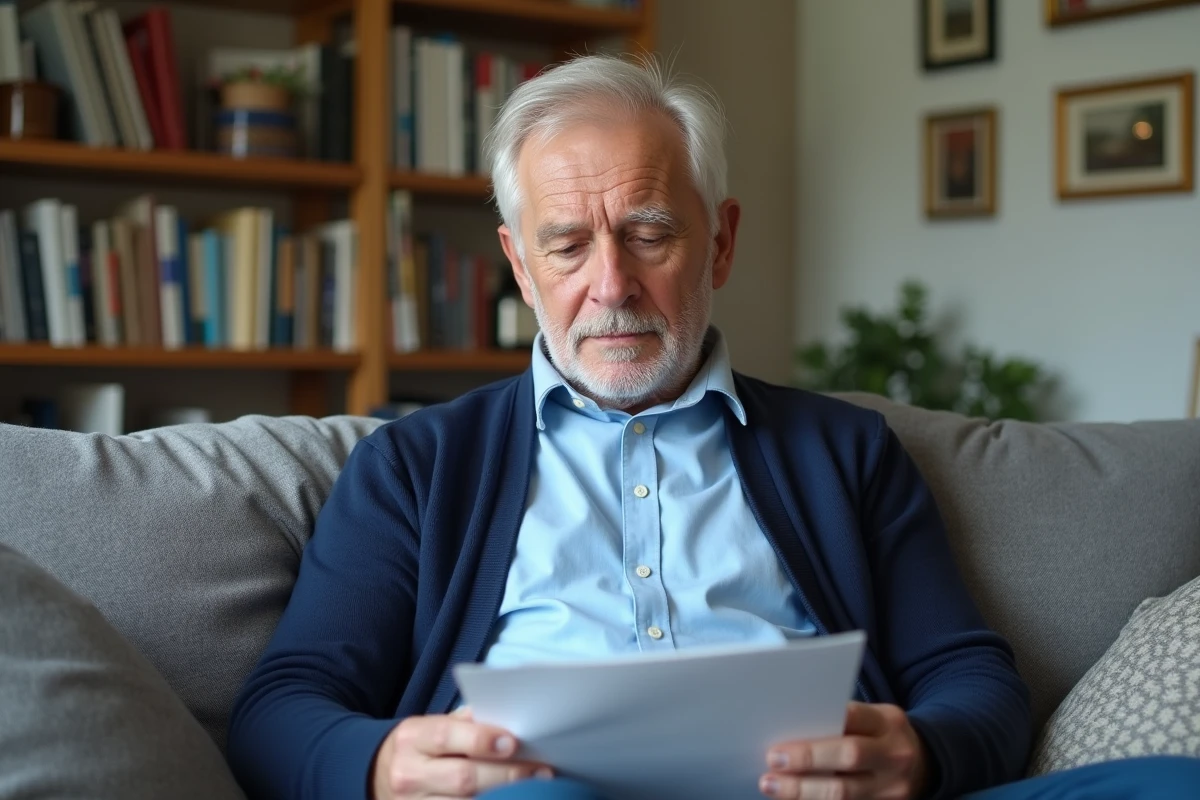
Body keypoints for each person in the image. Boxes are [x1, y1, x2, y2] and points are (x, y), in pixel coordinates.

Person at [226, 55, 1199, 800]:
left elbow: (969, 672)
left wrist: (921, 749)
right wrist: (383, 759)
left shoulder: (844, 449)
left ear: (720, 239)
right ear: (521, 269)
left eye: (649, 232)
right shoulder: (416, 466)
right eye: (567, 245)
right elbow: (279, 706)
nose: (611, 284)